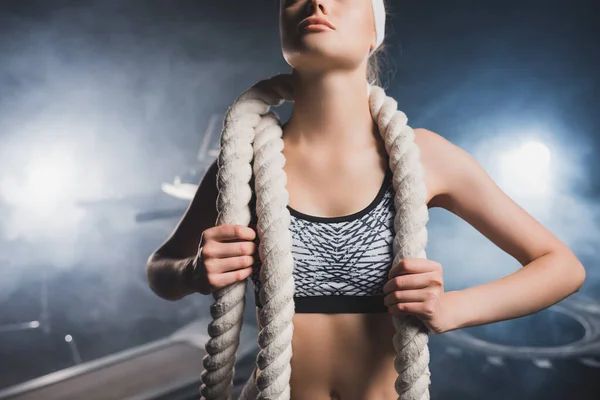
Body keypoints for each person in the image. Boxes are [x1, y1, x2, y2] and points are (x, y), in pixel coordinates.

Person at [146, 1, 587, 399]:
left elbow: (561, 266)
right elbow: (160, 269)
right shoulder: (242, 162)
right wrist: (193, 272)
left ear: (374, 33)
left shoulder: (424, 156)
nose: (316, 2)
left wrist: (450, 309)